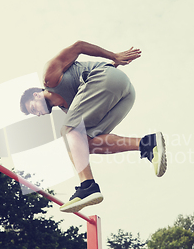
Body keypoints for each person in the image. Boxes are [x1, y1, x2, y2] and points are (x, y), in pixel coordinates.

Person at [20, 41, 167, 213]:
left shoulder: (50, 77)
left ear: (36, 95)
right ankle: (147, 144)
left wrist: (114, 57)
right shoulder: (69, 109)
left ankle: (87, 186)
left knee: (69, 131)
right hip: (125, 94)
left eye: (33, 108)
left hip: (108, 77)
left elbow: (78, 46)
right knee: (85, 143)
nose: (37, 113)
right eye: (34, 113)